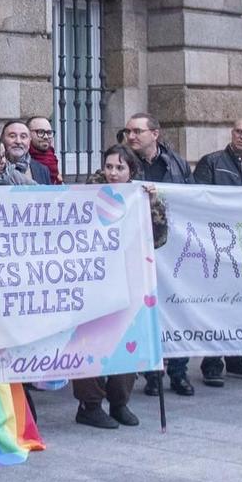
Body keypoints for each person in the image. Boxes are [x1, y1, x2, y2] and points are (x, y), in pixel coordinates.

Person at [80, 145, 155, 428]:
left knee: (126, 339)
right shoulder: (88, 194)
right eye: (109, 166)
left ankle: (120, 402)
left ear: (130, 172)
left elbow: (157, 237)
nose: (112, 173)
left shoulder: (141, 195)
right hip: (94, 279)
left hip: (129, 278)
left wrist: (152, 205)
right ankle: (90, 404)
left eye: (119, 168)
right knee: (90, 340)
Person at [194, 116, 242, 385]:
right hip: (219, 245)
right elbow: (196, 200)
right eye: (237, 131)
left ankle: (237, 360)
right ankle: (212, 363)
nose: (241, 136)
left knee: (241, 305)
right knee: (217, 304)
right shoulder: (211, 162)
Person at [125, 113, 192, 396]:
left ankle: (179, 371)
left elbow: (191, 197)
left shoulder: (176, 163)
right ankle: (153, 372)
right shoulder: (123, 162)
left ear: (155, 133)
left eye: (137, 131)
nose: (131, 137)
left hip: (173, 248)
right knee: (146, 311)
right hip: (139, 249)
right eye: (128, 132)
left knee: (176, 309)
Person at [0, 120, 52, 185]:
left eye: (23, 137)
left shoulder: (42, 170)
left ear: (29, 141)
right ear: (2, 139)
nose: (18, 141)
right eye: (12, 136)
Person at [25, 115, 63, 184]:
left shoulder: (52, 157)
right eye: (40, 132)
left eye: (49, 133)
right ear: (28, 134)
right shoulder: (23, 159)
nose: (46, 137)